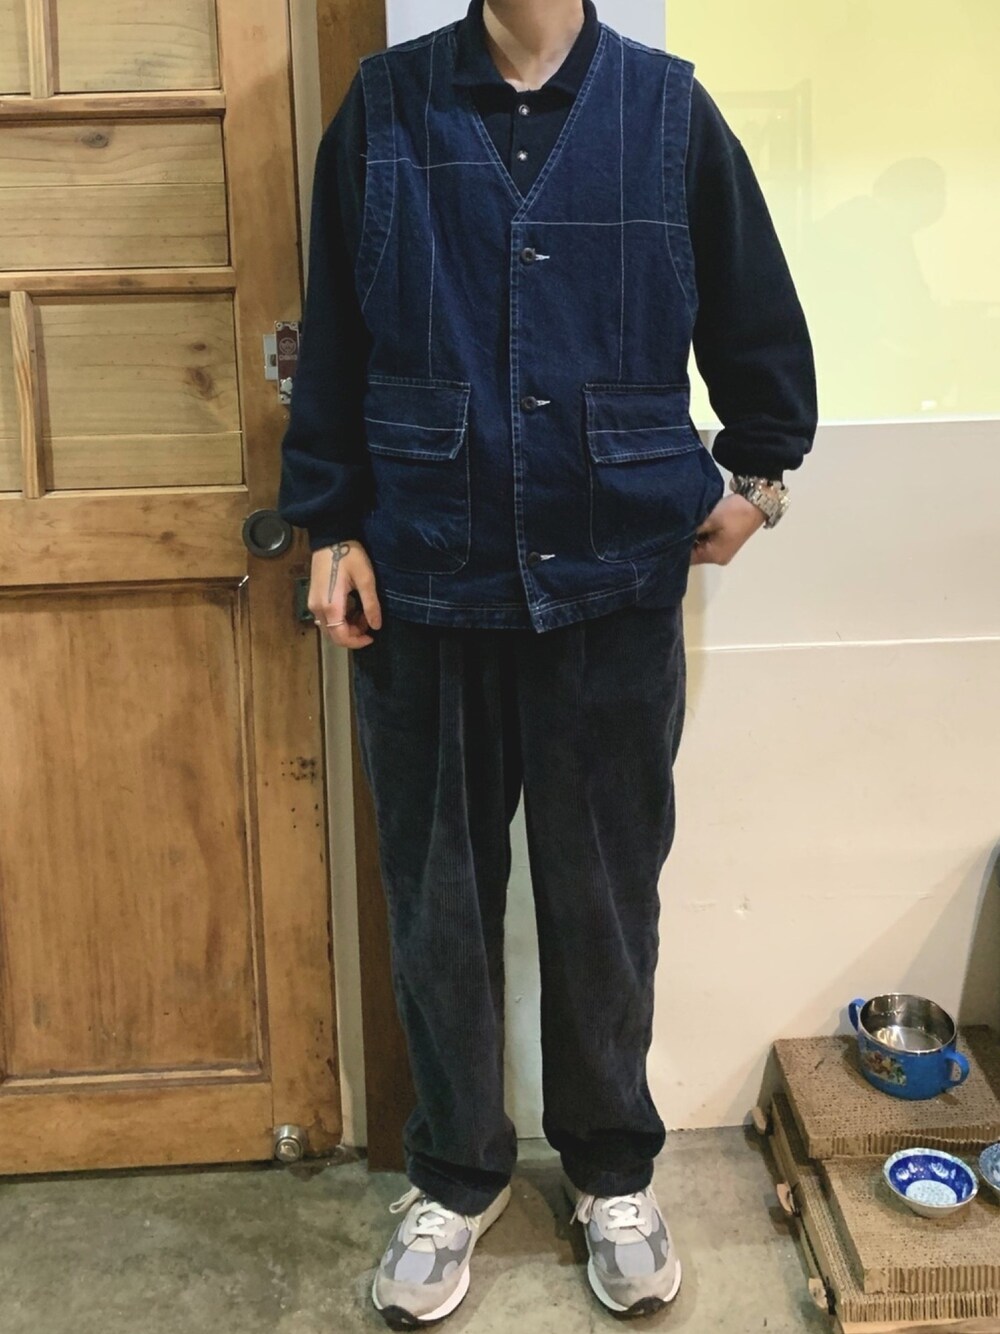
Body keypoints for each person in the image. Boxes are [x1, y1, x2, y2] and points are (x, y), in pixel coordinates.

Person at [278, 0, 817, 1325]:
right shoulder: (384, 109)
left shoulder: (670, 113)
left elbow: (754, 310)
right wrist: (330, 524)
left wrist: (761, 474)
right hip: (424, 576)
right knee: (438, 902)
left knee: (603, 901)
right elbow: (334, 335)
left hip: (613, 583)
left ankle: (611, 1169)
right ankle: (454, 1174)